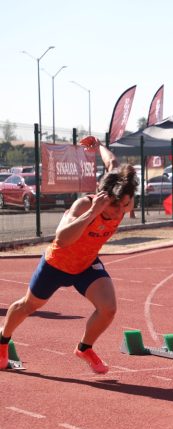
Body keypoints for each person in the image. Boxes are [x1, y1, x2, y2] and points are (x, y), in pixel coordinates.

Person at [0, 137, 137, 373]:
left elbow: (112, 162)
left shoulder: (122, 196)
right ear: (104, 197)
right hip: (56, 264)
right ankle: (2, 340)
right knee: (28, 306)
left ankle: (85, 348)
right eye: (116, 206)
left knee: (109, 308)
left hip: (85, 265)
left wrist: (99, 146)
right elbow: (62, 238)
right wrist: (93, 212)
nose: (120, 212)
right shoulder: (84, 206)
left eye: (125, 205)